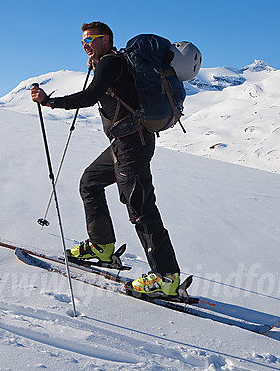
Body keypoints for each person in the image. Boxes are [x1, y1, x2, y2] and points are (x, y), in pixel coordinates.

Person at [30, 21, 182, 298]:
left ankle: (166, 277)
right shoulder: (113, 63)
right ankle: (101, 246)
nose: (86, 44)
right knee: (90, 182)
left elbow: (90, 96)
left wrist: (50, 102)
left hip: (131, 146)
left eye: (92, 38)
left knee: (141, 208)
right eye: (83, 40)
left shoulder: (111, 63)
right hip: (125, 144)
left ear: (107, 39)